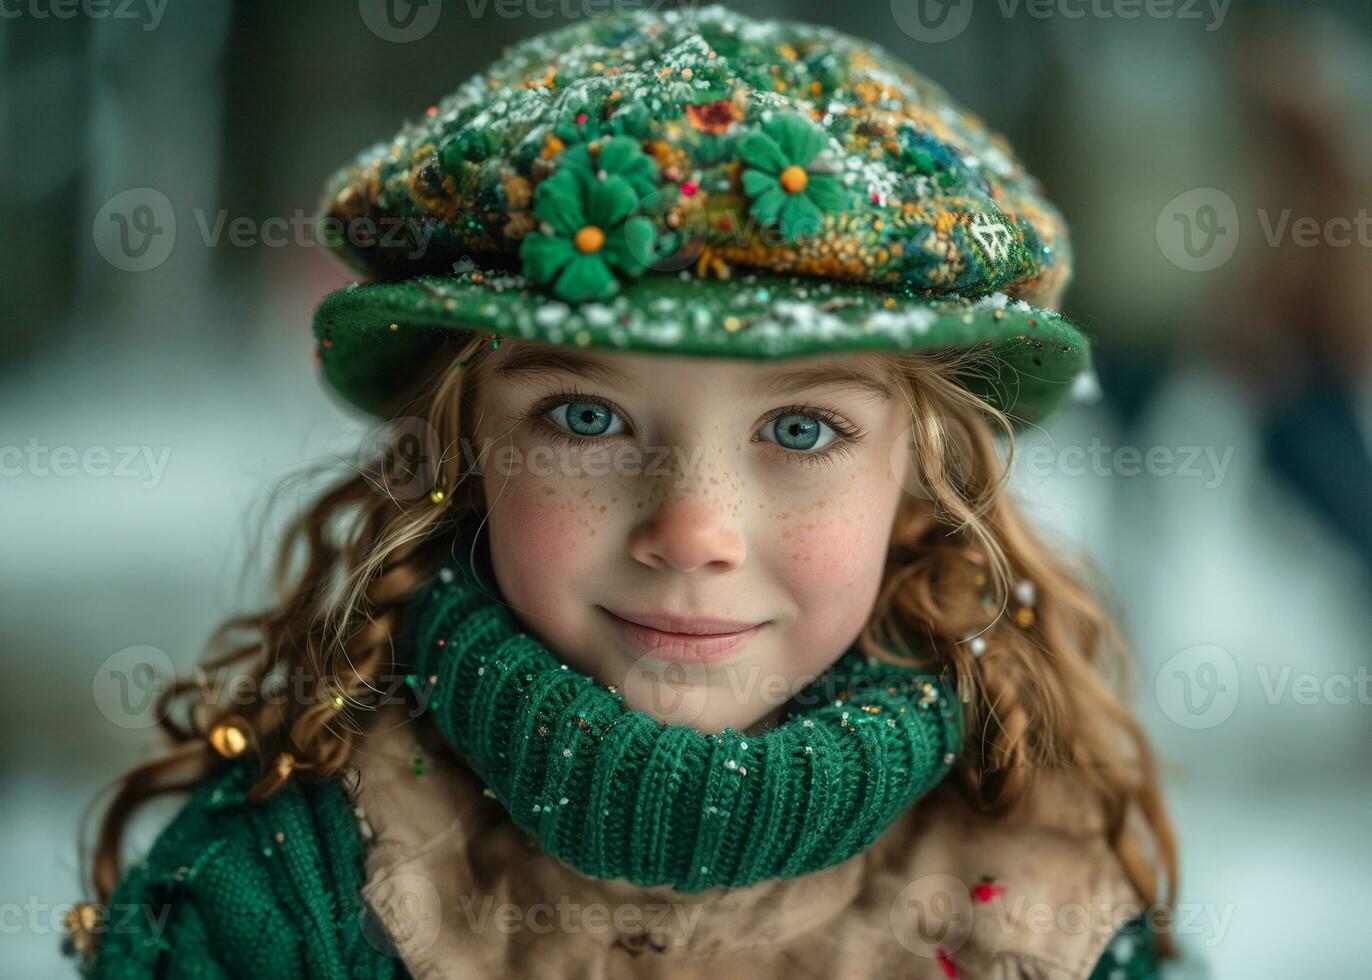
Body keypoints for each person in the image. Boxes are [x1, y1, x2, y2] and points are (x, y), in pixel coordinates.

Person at [73, 8, 1176, 978]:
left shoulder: (1048, 900)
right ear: (460, 447)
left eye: (799, 429)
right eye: (586, 418)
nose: (691, 531)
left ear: (922, 477)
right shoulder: (279, 892)